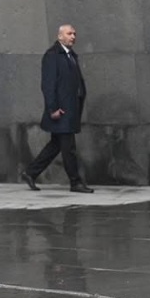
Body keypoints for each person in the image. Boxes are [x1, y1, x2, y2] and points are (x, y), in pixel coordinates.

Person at [21, 24, 93, 193]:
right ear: (60, 36)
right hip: (61, 111)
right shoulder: (52, 56)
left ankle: (30, 173)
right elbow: (48, 85)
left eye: (74, 34)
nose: (73, 36)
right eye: (69, 33)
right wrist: (52, 108)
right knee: (69, 148)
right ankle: (75, 182)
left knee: (56, 145)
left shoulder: (71, 55)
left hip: (70, 109)